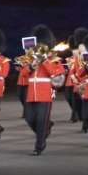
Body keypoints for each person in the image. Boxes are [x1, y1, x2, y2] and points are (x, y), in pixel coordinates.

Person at [22, 24, 64, 156]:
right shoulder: (30, 58)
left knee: (40, 120)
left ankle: (39, 145)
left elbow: (55, 74)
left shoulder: (54, 60)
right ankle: (45, 130)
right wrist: (31, 66)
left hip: (45, 93)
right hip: (31, 94)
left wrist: (44, 60)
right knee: (29, 118)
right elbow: (23, 73)